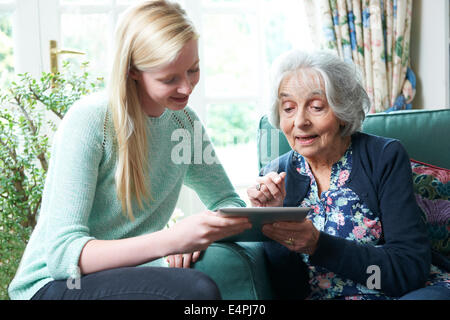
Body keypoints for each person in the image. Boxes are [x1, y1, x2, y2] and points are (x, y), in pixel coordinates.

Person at [8, 0, 252, 300]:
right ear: (134, 70)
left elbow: (228, 202)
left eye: (193, 70)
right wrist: (173, 239)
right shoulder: (91, 120)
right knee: (195, 291)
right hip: (53, 286)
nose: (187, 88)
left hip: (124, 277)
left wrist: (202, 236)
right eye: (170, 78)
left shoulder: (184, 124)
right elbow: (62, 256)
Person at [247, 50, 450, 300]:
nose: (299, 121)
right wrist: (271, 224)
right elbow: (290, 289)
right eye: (288, 108)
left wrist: (319, 245)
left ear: (343, 112)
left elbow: (408, 271)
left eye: (316, 107)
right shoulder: (274, 176)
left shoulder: (384, 157)